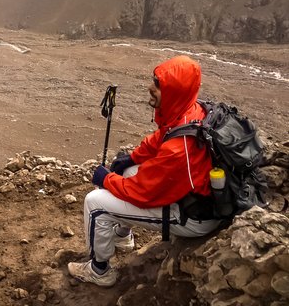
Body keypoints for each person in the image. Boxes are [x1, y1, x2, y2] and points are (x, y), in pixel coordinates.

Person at [68, 55, 222, 287]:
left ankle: (99, 271)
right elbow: (161, 137)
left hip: (192, 217)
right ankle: (122, 237)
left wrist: (106, 178)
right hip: (191, 197)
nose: (150, 88)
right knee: (129, 169)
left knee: (95, 203)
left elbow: (142, 192)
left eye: (158, 85)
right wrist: (131, 158)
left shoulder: (179, 150)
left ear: (175, 92)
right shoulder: (189, 111)